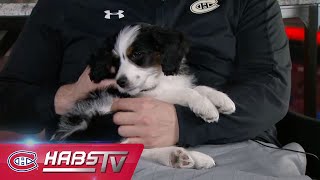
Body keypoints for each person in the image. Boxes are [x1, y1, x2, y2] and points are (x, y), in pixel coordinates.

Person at [0, 0, 290, 149]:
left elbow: (272, 87)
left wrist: (182, 125)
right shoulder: (65, 4)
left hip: (229, 150)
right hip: (96, 157)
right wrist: (66, 98)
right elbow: (7, 98)